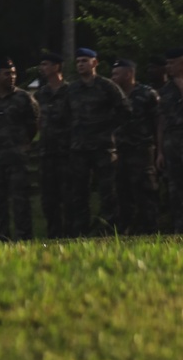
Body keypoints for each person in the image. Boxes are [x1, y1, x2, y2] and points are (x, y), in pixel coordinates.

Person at [65, 47, 129, 235]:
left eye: (85, 61)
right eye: (78, 62)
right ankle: (81, 232)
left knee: (108, 191)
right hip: (79, 148)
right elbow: (66, 114)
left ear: (95, 63)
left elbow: (125, 110)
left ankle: (111, 230)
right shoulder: (73, 89)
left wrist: (109, 129)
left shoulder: (107, 86)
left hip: (103, 147)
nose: (80, 64)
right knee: (79, 193)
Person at [0, 57, 39, 241]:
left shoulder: (24, 98)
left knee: (20, 200)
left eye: (13, 73)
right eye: (7, 73)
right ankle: (0, 237)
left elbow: (34, 124)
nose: (12, 77)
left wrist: (22, 145)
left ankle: (24, 237)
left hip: (16, 158)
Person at [111, 58, 159, 234]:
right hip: (120, 152)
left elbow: (158, 122)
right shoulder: (113, 95)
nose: (113, 77)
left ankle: (151, 231)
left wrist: (159, 150)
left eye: (116, 73)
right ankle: (125, 231)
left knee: (145, 192)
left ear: (129, 74)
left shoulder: (147, 94)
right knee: (122, 193)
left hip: (142, 151)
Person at [36, 48, 71, 238]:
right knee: (48, 198)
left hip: (66, 152)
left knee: (68, 196)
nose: (42, 68)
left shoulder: (70, 91)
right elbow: (38, 120)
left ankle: (70, 234)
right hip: (47, 152)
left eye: (46, 64)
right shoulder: (42, 93)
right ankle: (53, 234)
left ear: (57, 66)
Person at [157, 47, 183, 232]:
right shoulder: (165, 90)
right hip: (172, 144)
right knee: (175, 188)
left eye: (172, 62)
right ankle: (178, 230)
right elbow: (161, 121)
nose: (168, 67)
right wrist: (159, 152)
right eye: (167, 63)